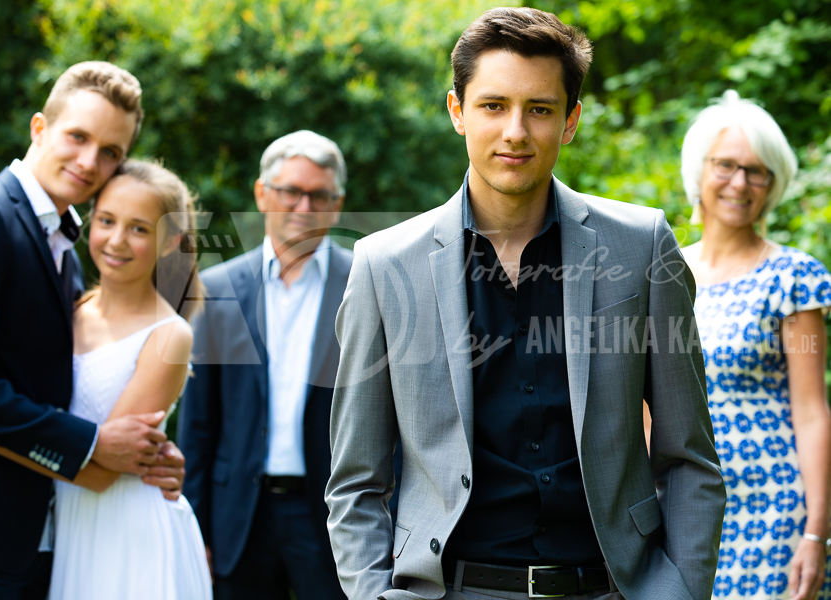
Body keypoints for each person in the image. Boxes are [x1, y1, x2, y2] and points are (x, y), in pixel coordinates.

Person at [325, 8, 725, 600]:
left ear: (570, 121)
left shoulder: (641, 246)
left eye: (539, 109)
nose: (515, 131)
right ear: (457, 111)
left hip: (612, 588)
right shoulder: (385, 265)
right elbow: (356, 480)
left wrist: (681, 590)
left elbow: (688, 455)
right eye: (493, 106)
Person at [0, 62, 185, 599]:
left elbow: (46, 386)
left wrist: (150, 454)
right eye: (78, 136)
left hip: (42, 539)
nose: (91, 161)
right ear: (39, 128)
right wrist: (95, 443)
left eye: (111, 151)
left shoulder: (67, 254)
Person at [179, 130, 350, 600]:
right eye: (290, 191)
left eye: (318, 195)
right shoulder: (216, 291)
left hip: (335, 518)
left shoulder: (365, 285)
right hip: (237, 516)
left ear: (337, 204)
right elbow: (197, 425)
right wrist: (196, 529)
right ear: (262, 194)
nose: (303, 206)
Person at [679, 91, 831, 600]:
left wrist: (816, 534)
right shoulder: (663, 272)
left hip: (774, 511)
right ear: (699, 169)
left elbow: (811, 411)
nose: (740, 183)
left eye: (757, 171)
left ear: (773, 183)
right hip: (684, 509)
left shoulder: (795, 277)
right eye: (726, 165)